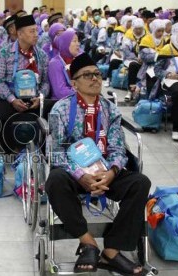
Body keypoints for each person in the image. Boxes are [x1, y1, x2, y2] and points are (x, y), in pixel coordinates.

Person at [46, 52, 150, 274]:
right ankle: (87, 241)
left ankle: (112, 250)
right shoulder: (61, 110)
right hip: (74, 172)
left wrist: (111, 172)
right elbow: (57, 152)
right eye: (87, 75)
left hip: (104, 171)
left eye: (97, 74)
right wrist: (81, 176)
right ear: (74, 83)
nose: (95, 78)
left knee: (140, 182)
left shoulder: (109, 108)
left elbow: (116, 147)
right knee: (55, 180)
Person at [0, 15, 49, 153]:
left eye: (36, 31)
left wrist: (40, 97)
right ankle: (11, 151)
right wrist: (12, 100)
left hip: (34, 97)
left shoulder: (41, 55)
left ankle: (41, 151)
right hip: (11, 97)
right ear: (19, 34)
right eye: (32, 31)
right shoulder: (5, 53)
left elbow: (46, 82)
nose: (36, 35)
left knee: (51, 115)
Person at [48, 28, 81, 100]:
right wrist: (82, 94)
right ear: (65, 44)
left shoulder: (78, 60)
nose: (78, 44)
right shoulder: (55, 63)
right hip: (62, 104)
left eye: (78, 41)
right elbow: (60, 92)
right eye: (74, 41)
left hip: (80, 100)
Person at [137, 19, 166, 95]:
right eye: (158, 31)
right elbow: (144, 57)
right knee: (152, 75)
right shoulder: (146, 40)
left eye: (162, 31)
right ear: (154, 30)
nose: (161, 33)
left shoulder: (164, 40)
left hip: (161, 65)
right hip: (148, 65)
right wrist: (158, 56)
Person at [122, 18, 146, 101]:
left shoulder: (147, 35)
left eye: (140, 28)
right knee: (133, 65)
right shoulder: (128, 35)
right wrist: (136, 58)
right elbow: (126, 51)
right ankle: (130, 90)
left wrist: (144, 58)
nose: (139, 31)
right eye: (136, 29)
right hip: (131, 58)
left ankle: (142, 90)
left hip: (145, 60)